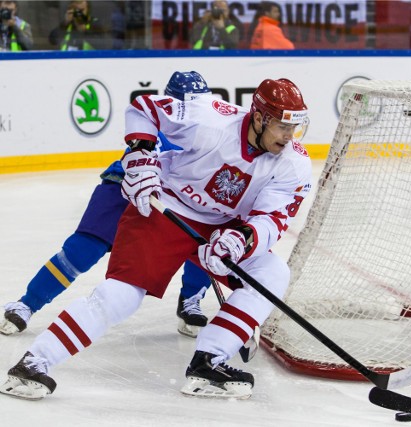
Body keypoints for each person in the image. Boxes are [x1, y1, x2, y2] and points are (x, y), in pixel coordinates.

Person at [0, 77, 312, 401]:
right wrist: (140, 156)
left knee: (273, 274)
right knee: (121, 295)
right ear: (260, 118)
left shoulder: (293, 163)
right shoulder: (211, 119)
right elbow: (144, 107)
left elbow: (272, 217)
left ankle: (208, 362)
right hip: (167, 207)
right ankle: (35, 362)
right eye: (282, 127)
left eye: (295, 128)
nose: (289, 137)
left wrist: (241, 239)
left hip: (223, 226)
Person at [0, 71, 214, 340]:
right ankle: (27, 304)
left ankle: (190, 301)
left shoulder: (215, 132)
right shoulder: (157, 120)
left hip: (177, 198)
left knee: (206, 243)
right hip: (124, 188)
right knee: (83, 249)